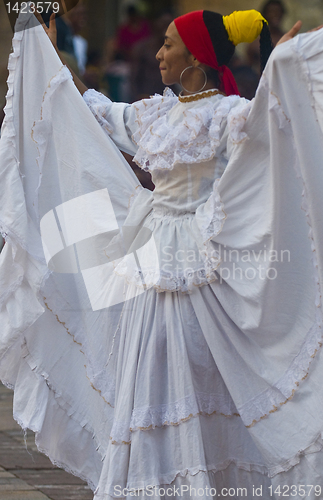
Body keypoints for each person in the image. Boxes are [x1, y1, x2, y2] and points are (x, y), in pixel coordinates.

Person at [1, 7, 323, 500]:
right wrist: (46, 54)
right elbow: (93, 110)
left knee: (191, 379)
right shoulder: (156, 112)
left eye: (169, 44)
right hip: (152, 262)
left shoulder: (228, 114)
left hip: (199, 270)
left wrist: (282, 72)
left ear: (196, 55)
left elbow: (274, 135)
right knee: (149, 376)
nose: (159, 53)